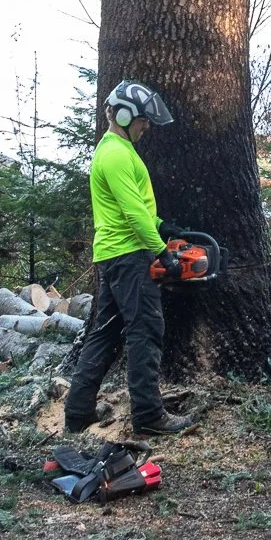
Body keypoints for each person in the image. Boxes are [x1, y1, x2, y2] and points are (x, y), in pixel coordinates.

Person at [63, 80, 193, 438]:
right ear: (123, 114)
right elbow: (134, 215)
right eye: (143, 119)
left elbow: (136, 210)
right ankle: (150, 415)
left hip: (114, 254)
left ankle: (77, 413)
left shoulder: (113, 150)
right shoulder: (117, 154)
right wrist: (161, 252)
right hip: (129, 255)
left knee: (104, 335)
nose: (147, 126)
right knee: (146, 330)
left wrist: (162, 224)